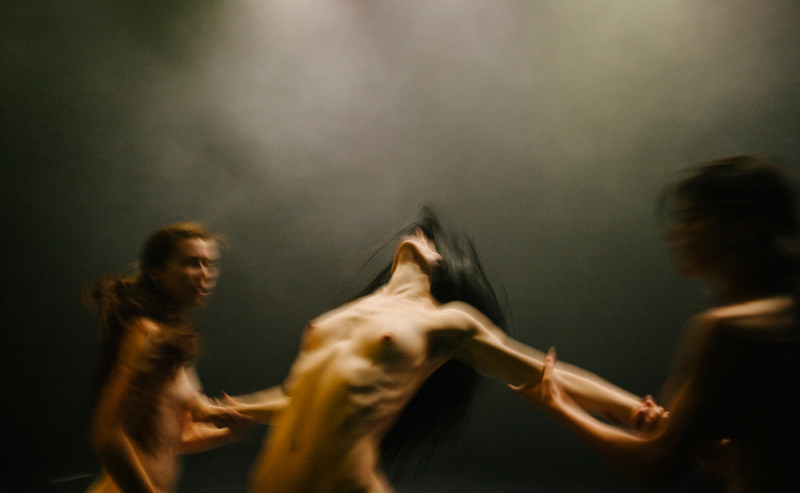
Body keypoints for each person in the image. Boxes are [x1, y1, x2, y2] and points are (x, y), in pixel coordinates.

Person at [232, 209, 655, 493]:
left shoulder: (447, 322)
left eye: (429, 239)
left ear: (441, 266)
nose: (419, 234)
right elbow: (308, 398)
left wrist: (636, 411)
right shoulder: (357, 309)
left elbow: (545, 372)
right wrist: (229, 408)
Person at [513, 155, 800, 492]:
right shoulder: (782, 315)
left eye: (693, 218)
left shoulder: (729, 330)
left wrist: (559, 407)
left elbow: (653, 466)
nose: (674, 233)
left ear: (742, 228)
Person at [82, 222, 253, 493]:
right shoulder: (147, 334)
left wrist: (228, 434)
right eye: (192, 263)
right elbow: (105, 435)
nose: (205, 274)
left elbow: (170, 437)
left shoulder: (172, 339)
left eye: (211, 264)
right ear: (156, 273)